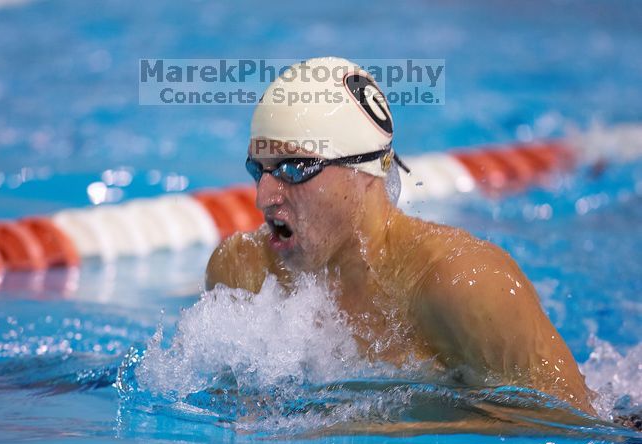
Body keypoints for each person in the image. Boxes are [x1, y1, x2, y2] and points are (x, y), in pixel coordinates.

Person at [205, 57, 594, 416]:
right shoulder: (244, 273)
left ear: (366, 170)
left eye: (293, 168)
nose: (263, 197)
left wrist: (372, 423)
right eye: (260, 169)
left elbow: (569, 423)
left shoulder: (462, 285)